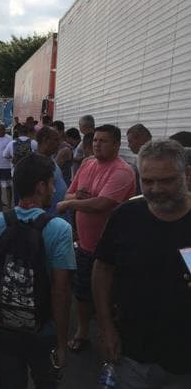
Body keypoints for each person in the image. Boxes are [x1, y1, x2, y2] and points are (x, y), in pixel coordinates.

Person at [93, 139, 191, 388]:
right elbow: (103, 269)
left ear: (186, 174)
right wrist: (105, 327)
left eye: (166, 180)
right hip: (131, 353)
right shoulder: (125, 216)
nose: (156, 189)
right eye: (147, 181)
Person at [0, 153, 76, 389]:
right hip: (42, 332)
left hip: (2, 328)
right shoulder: (60, 229)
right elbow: (60, 292)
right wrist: (62, 345)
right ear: (40, 186)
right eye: (52, 183)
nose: (54, 191)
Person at [56, 124, 136, 352]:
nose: (97, 144)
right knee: (82, 292)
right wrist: (75, 198)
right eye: (95, 140)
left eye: (104, 141)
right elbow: (68, 192)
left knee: (109, 296)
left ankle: (108, 334)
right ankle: (82, 331)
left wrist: (72, 203)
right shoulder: (88, 163)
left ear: (117, 145)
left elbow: (102, 203)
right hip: (84, 244)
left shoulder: (122, 171)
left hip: (110, 249)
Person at [36, 127, 68, 221]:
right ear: (45, 140)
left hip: (59, 217)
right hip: (50, 219)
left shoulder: (51, 161)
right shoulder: (36, 164)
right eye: (56, 140)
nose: (59, 143)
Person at [127, 123, 152, 194]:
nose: (128, 146)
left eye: (130, 142)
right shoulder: (139, 158)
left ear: (141, 139)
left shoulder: (153, 161)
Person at [53, 121, 73, 186]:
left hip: (62, 183)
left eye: (54, 131)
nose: (51, 134)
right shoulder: (55, 146)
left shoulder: (65, 148)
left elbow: (54, 168)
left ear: (61, 132)